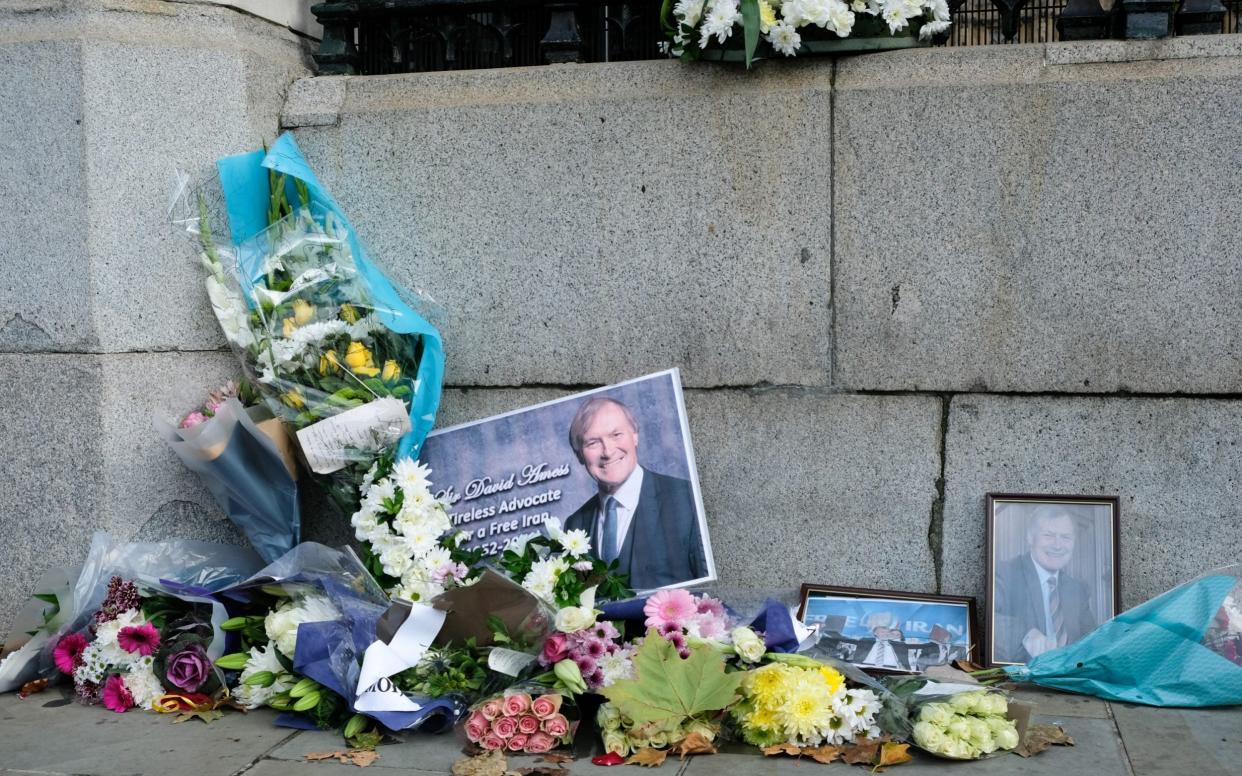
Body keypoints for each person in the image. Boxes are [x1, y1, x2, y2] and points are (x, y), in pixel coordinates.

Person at [562, 396, 708, 590]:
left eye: (616, 435)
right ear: (579, 455)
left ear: (635, 435)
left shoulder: (686, 499)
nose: (608, 451)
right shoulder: (575, 524)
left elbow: (711, 594)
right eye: (593, 443)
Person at [992, 505, 1097, 664]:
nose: (1057, 545)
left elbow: (1093, 641)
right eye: (1048, 535)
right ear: (1030, 537)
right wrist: (1024, 634)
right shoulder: (1004, 573)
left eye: (1066, 537)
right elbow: (989, 618)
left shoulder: (1077, 590)